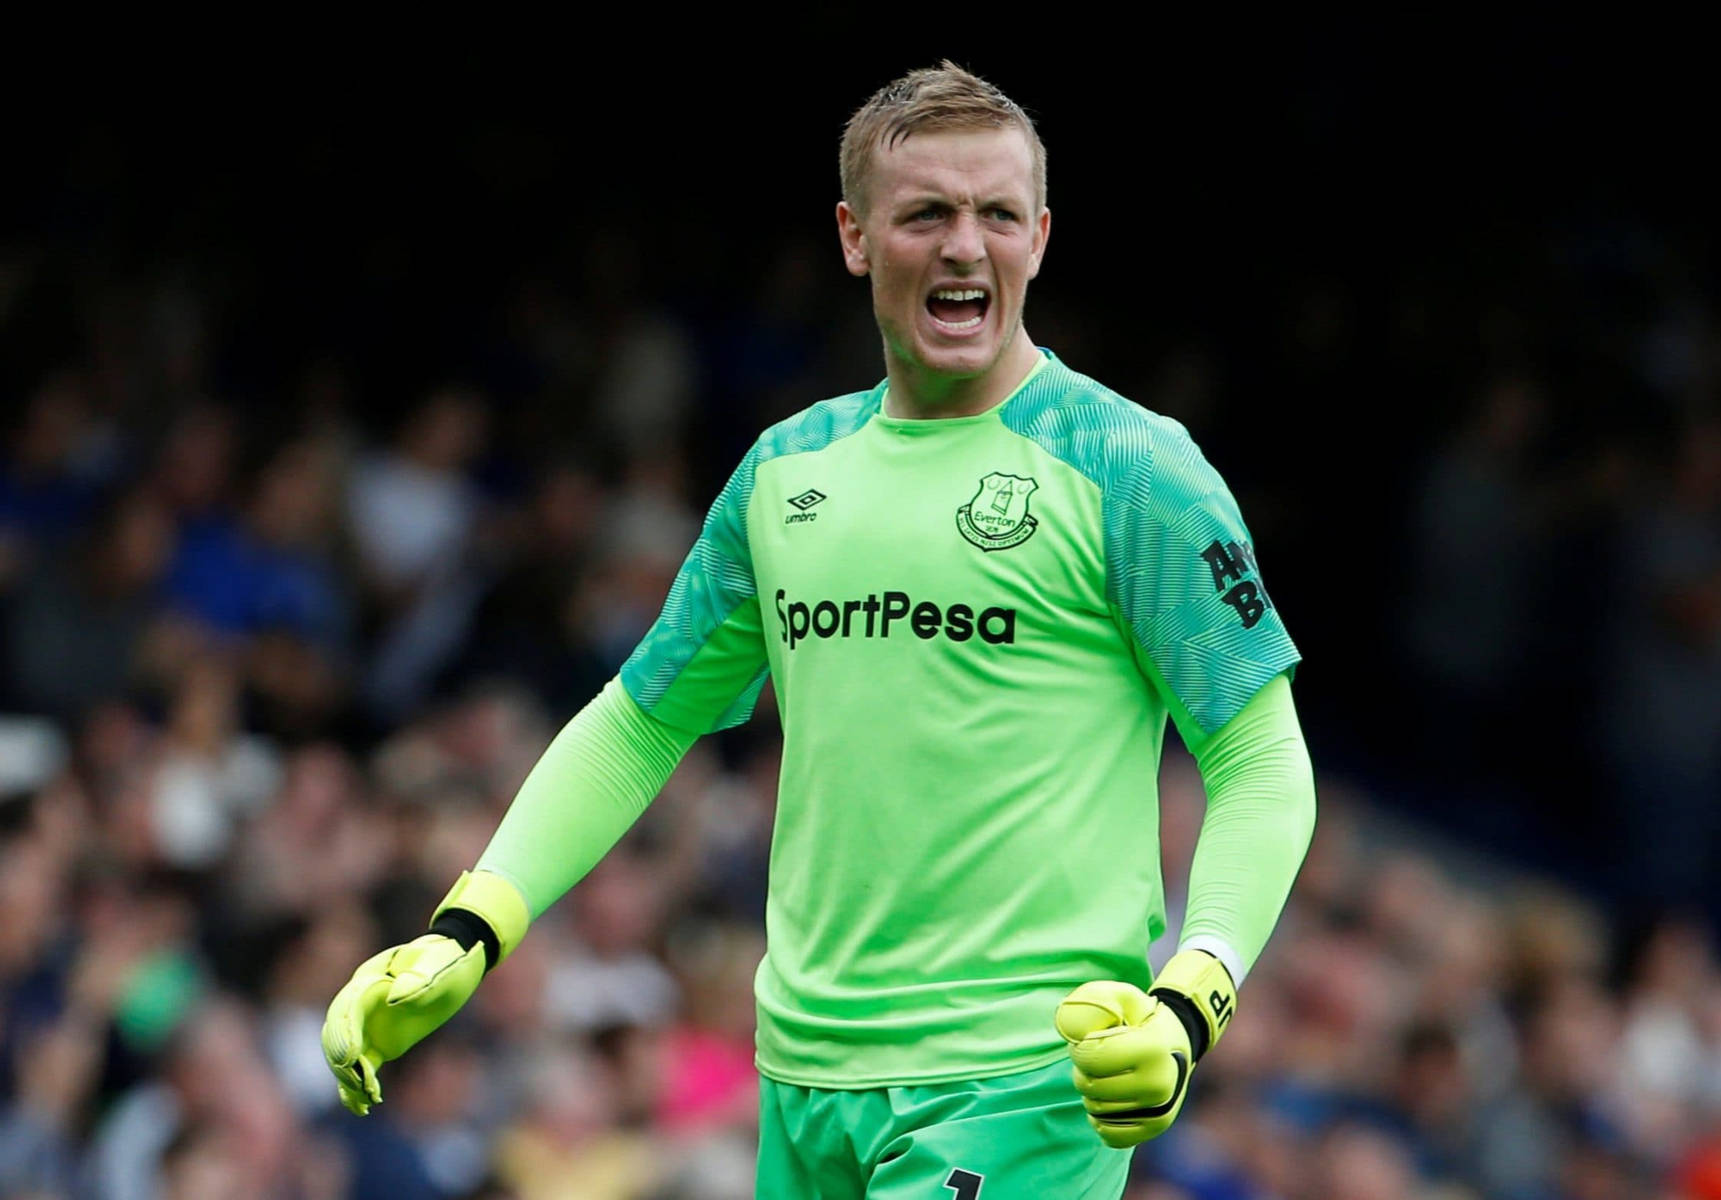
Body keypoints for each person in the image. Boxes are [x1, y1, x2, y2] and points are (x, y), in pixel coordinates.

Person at [321, 61, 1317, 1198]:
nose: (964, 247)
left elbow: (1260, 758)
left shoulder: (1133, 468)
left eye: (997, 214)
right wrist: (470, 925)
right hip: (799, 1079)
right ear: (854, 236)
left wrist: (1195, 993)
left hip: (1018, 1080)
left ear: (1040, 238)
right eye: (927, 214)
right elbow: (642, 722)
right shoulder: (787, 472)